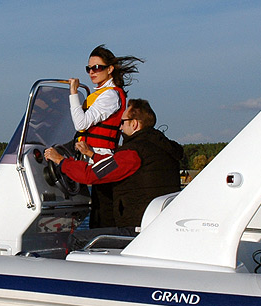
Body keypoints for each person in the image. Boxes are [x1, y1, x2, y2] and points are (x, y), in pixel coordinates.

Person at [44, 99, 183, 232]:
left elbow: (89, 175)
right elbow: (118, 165)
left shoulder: (134, 151)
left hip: (136, 228)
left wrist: (60, 160)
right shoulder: (161, 148)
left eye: (123, 122)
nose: (120, 127)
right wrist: (92, 155)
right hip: (158, 225)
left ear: (134, 124)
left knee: (79, 241)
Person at [67, 45, 144, 227]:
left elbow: (81, 124)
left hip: (103, 159)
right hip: (92, 158)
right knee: (97, 210)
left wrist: (73, 93)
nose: (92, 72)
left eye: (97, 67)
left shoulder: (110, 95)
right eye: (89, 68)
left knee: (103, 213)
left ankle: (105, 239)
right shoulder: (101, 94)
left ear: (110, 69)